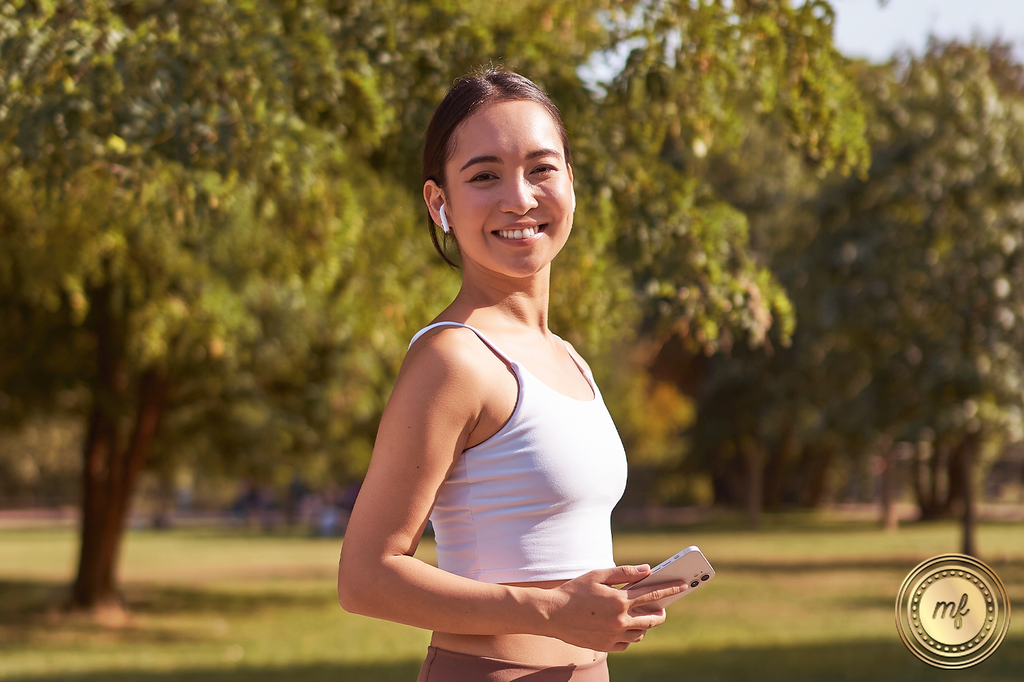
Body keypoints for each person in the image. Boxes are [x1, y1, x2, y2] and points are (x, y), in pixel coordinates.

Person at [337, 69, 686, 681]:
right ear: (438, 202)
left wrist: (600, 608)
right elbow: (366, 576)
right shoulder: (453, 359)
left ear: (571, 183)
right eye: (484, 176)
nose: (519, 198)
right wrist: (548, 612)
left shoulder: (569, 358)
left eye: (541, 168)